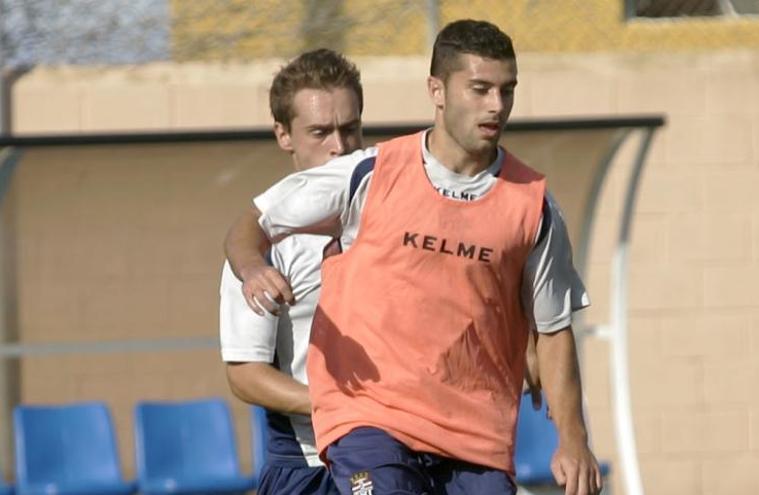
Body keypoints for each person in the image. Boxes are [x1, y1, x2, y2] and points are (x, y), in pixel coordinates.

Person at [225, 19, 601, 495]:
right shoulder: (368, 175)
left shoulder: (534, 206)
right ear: (436, 91)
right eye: (480, 89)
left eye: (507, 91)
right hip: (367, 429)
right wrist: (253, 266)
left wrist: (573, 438)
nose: (496, 105)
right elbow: (253, 223)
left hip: (472, 435)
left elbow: (552, 329)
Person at [219, 48, 363, 495]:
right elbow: (245, 375)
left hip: (406, 452)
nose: (339, 146)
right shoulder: (264, 244)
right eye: (320, 132)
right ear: (284, 135)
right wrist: (343, 406)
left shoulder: (394, 207)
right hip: (310, 465)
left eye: (350, 128)